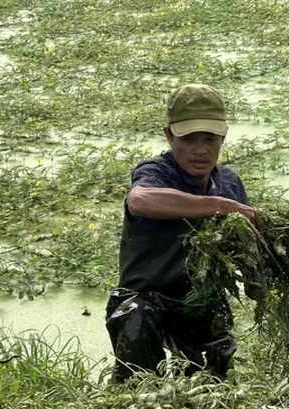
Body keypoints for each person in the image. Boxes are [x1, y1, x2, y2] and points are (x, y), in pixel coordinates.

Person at [104, 83, 257, 383]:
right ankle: (132, 402)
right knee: (135, 320)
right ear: (169, 135)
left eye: (210, 139)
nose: (200, 150)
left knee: (213, 384)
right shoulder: (157, 172)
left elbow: (249, 245)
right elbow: (139, 200)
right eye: (188, 139)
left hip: (199, 302)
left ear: (223, 137)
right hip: (146, 299)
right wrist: (218, 206)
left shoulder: (228, 182)